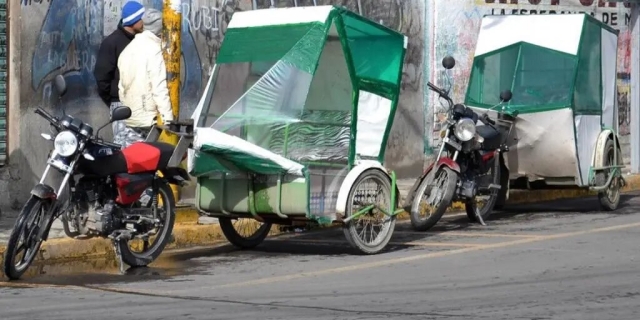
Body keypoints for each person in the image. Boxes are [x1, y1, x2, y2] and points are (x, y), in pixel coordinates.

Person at [117, 8, 174, 148]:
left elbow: (121, 87)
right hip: (148, 118)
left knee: (131, 158)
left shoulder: (128, 49)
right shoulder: (153, 50)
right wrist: (168, 118)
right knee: (149, 160)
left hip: (130, 116)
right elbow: (158, 87)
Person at [93, 1, 145, 146]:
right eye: (142, 18)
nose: (144, 22)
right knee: (126, 150)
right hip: (121, 105)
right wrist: (114, 101)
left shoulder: (142, 41)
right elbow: (102, 77)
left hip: (141, 106)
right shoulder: (112, 43)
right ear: (134, 20)